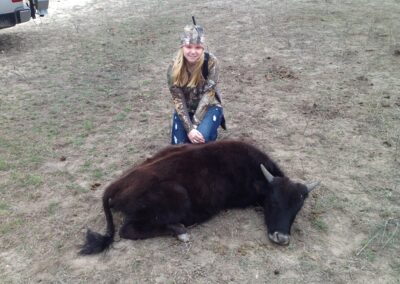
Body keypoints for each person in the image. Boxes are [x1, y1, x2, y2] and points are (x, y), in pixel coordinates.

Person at [167, 21, 225, 145]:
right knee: (178, 148)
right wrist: (190, 129)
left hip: (209, 106)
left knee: (199, 141)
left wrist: (194, 126)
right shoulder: (173, 67)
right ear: (182, 47)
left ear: (203, 48)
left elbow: (208, 95)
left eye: (198, 47)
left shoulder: (211, 62)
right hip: (186, 109)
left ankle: (211, 132)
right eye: (189, 47)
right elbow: (178, 99)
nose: (193, 51)